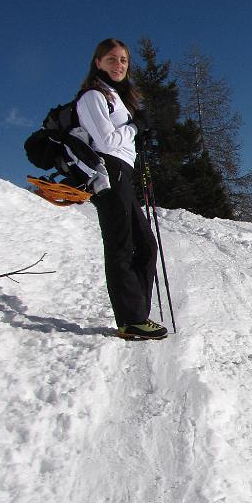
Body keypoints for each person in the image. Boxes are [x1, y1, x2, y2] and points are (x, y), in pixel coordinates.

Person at [76, 38, 167, 340]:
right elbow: (106, 142)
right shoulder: (93, 96)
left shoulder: (117, 96)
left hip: (122, 172)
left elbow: (120, 139)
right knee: (120, 245)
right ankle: (130, 319)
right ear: (98, 62)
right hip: (106, 171)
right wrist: (134, 128)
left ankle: (137, 313)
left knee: (145, 244)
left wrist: (134, 129)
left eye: (124, 60)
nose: (119, 65)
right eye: (112, 59)